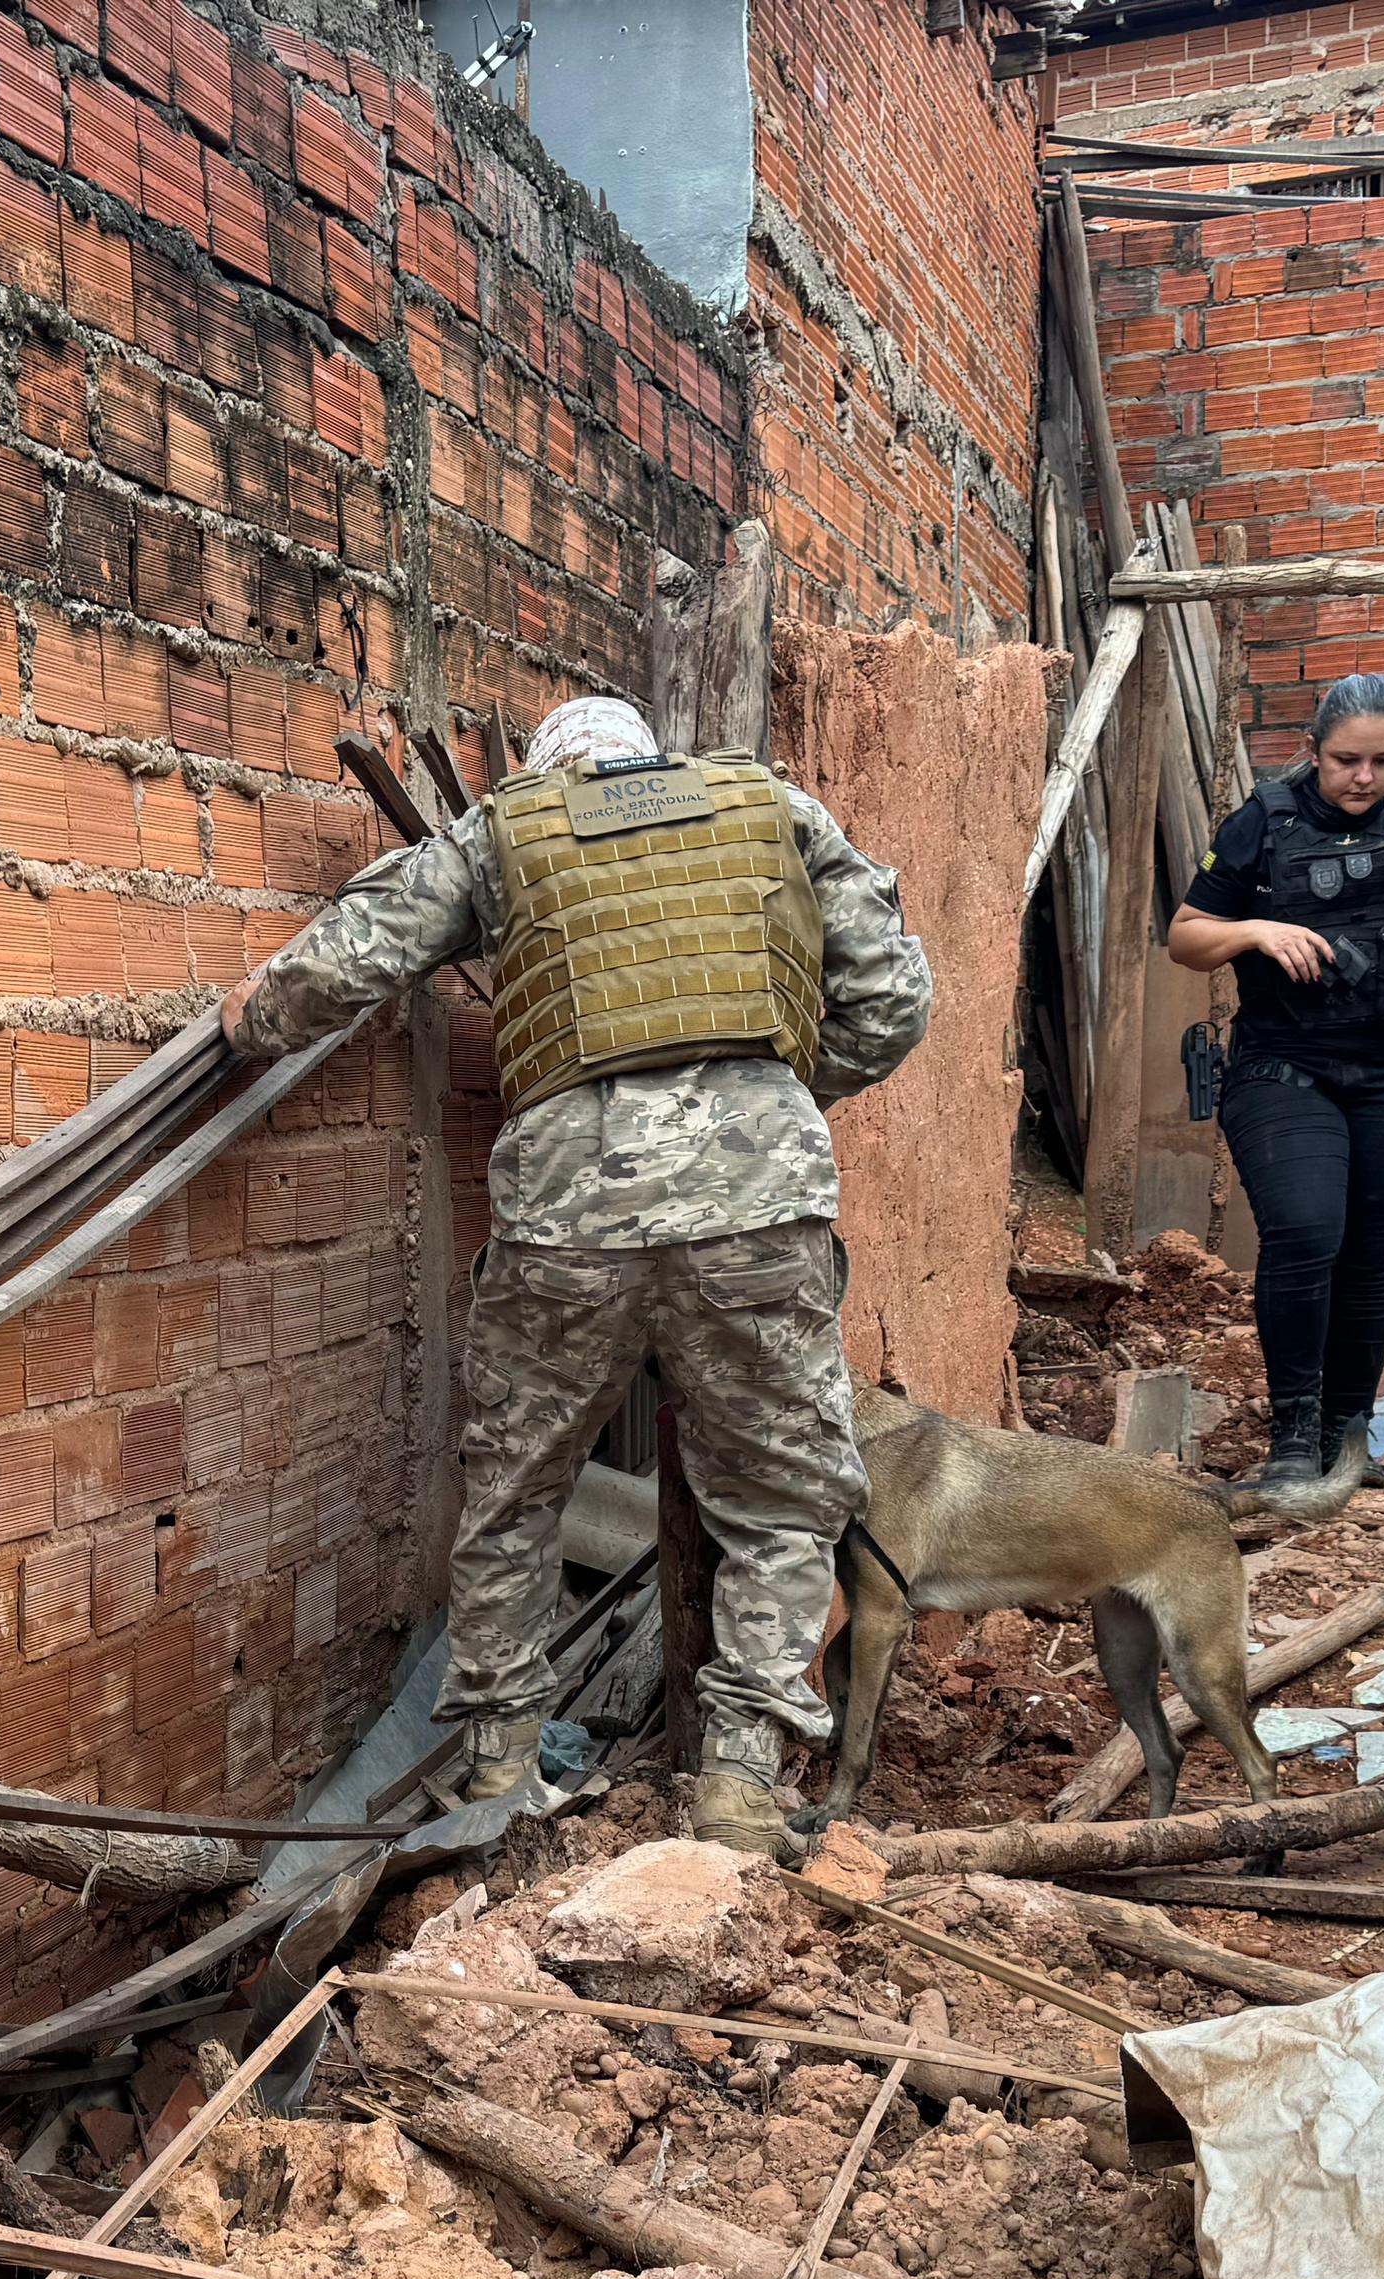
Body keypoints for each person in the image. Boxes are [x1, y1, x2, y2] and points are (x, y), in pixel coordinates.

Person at [218, 695, 931, 1859]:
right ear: (651, 752)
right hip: (756, 1212)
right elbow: (894, 1001)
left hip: (567, 1212)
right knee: (781, 1498)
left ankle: (500, 1772)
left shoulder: (506, 828)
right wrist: (772, 1106)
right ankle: (742, 1783)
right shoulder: (772, 809)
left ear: (555, 770)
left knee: (514, 1494)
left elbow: (354, 956)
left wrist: (247, 1023)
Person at [1164, 673, 1384, 1491]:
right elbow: (1186, 937)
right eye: (1345, 761)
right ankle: (1294, 1433)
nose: (1363, 778)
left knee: (1370, 1252)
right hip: (1281, 1064)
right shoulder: (1265, 820)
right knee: (1303, 1231)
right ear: (1313, 752)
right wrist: (1254, 929)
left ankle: (1347, 1433)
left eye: (1381, 761)